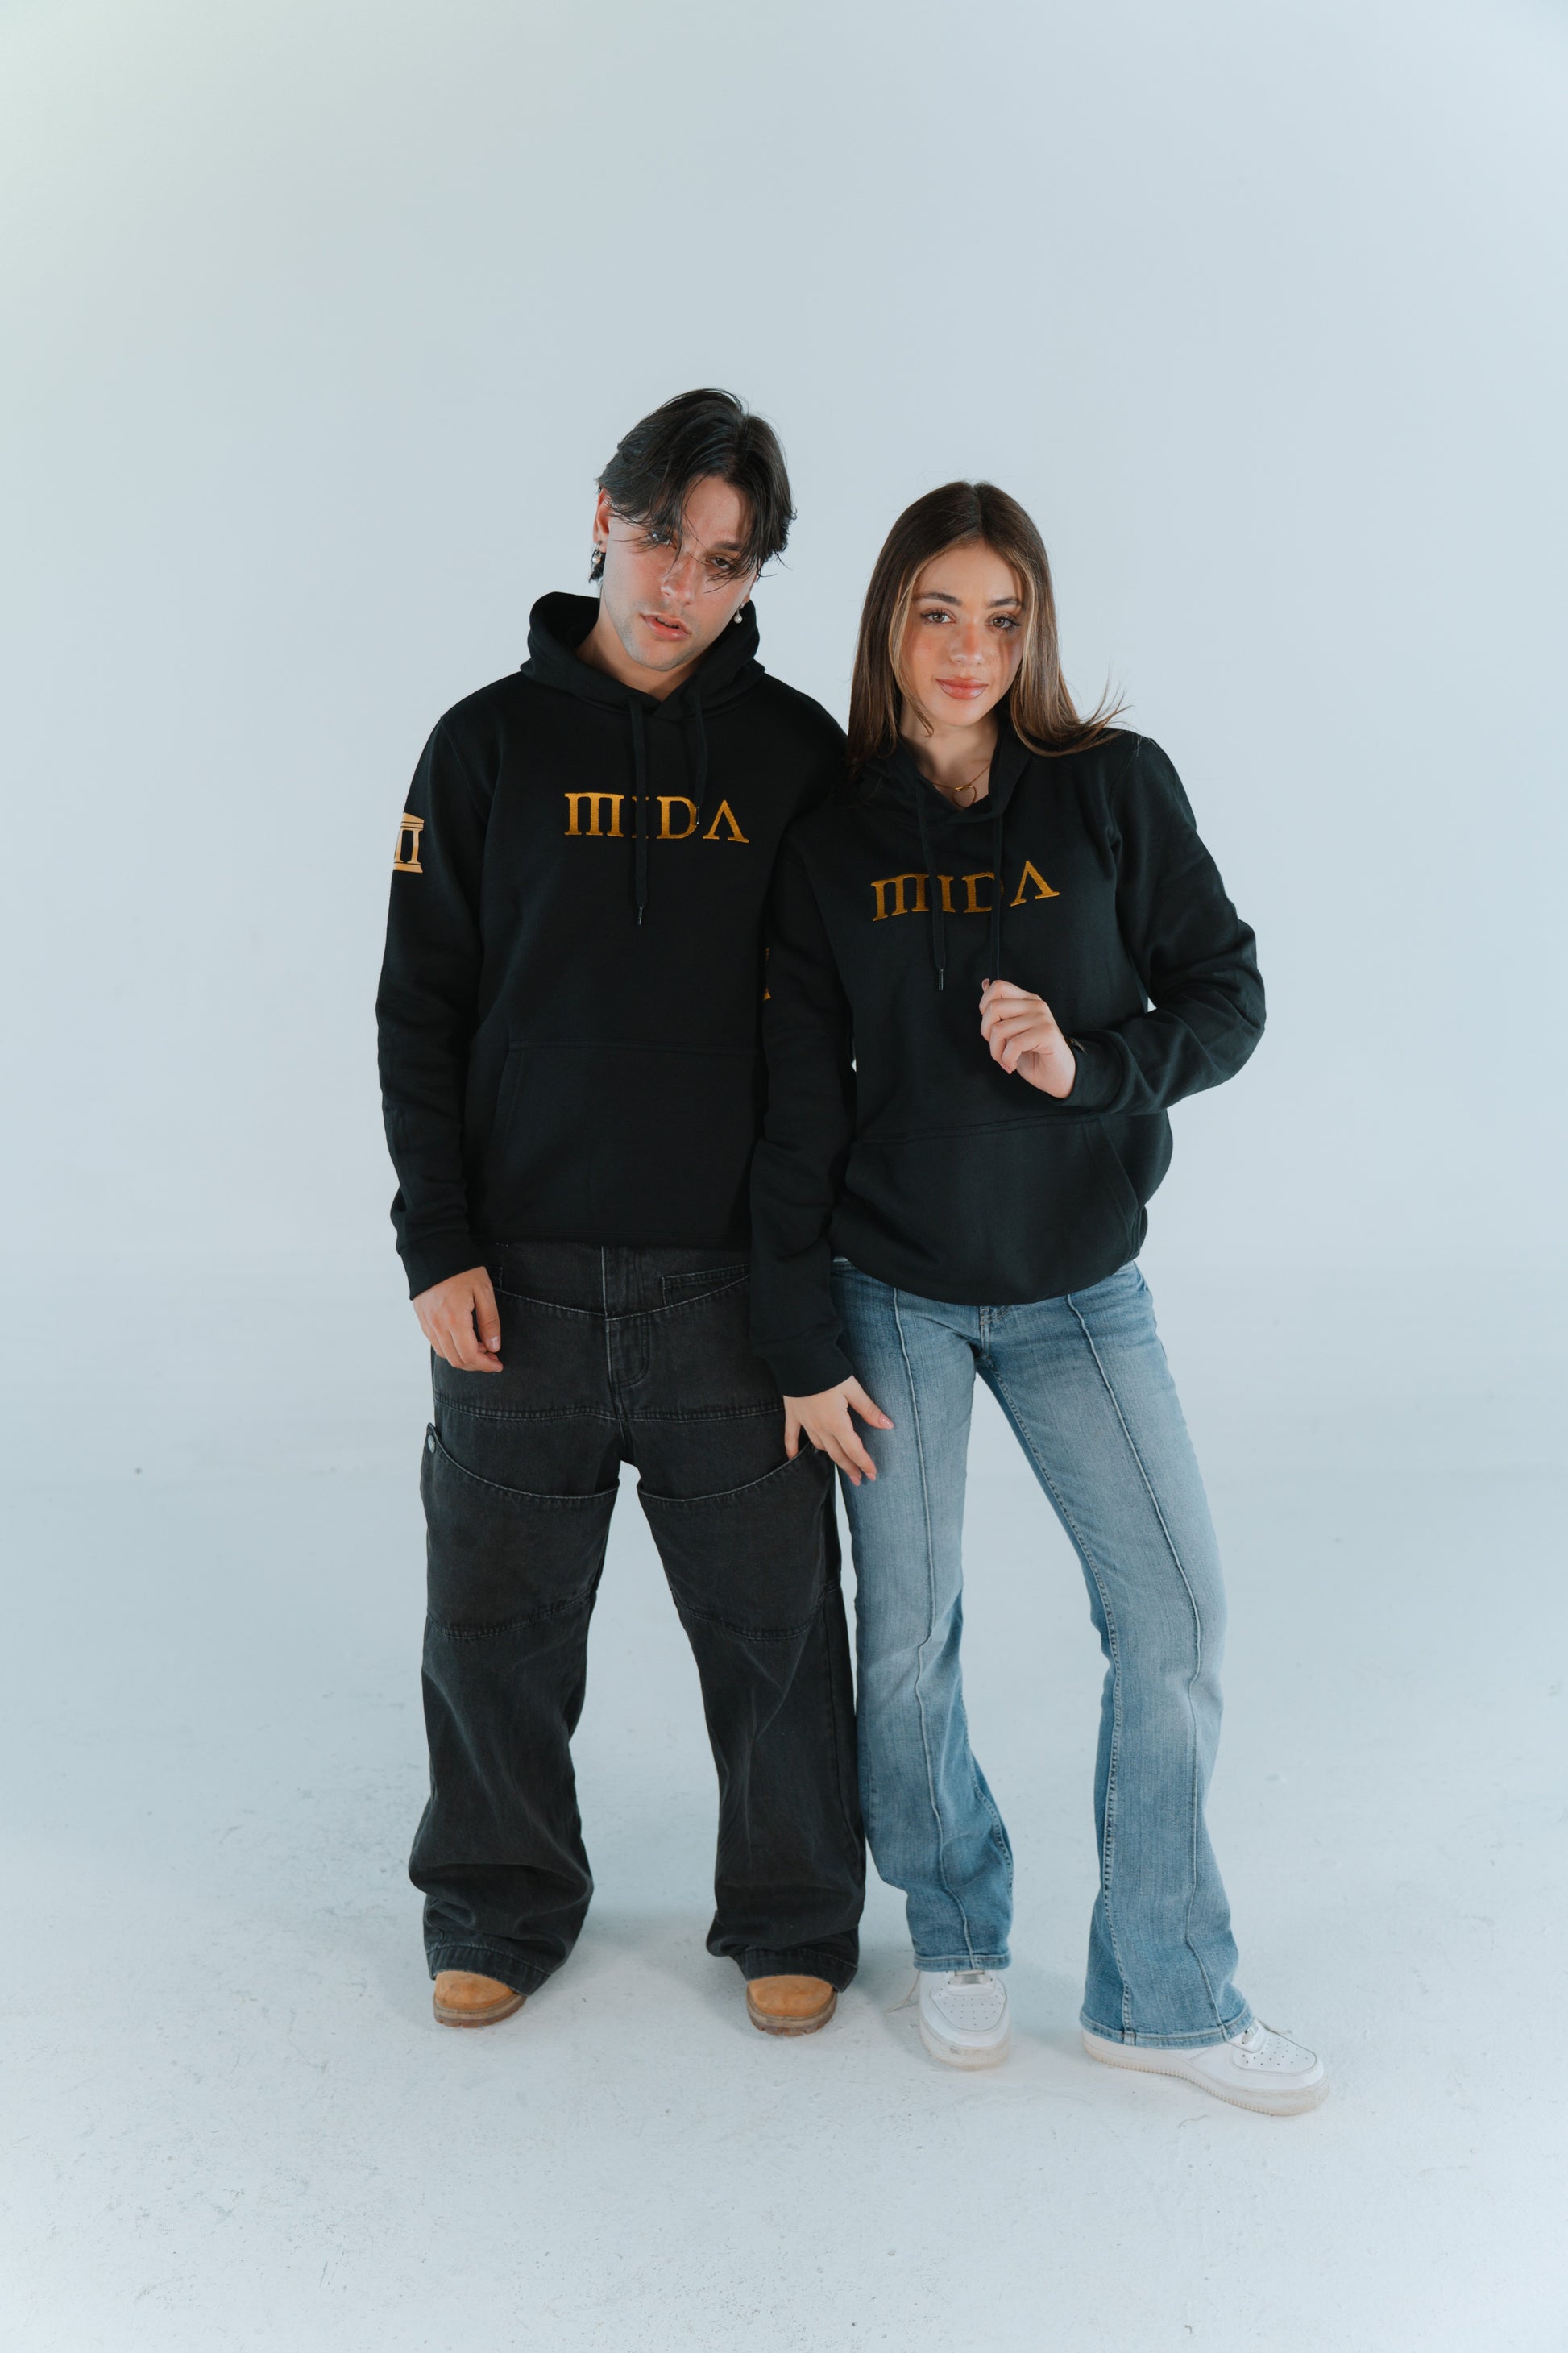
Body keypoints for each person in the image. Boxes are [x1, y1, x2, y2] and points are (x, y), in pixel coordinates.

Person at [749, 482, 1328, 2113]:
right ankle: (954, 1923)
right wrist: (797, 1340)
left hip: (1081, 1288)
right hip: (891, 1293)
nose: (969, 650)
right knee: (907, 1642)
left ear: (1034, 630)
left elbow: (1227, 993)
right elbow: (791, 1113)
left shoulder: (1110, 791)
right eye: (938, 612)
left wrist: (1094, 1067)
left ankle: (1163, 1992)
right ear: (889, 621)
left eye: (1001, 619)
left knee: (1176, 1618)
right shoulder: (830, 839)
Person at [376, 389, 863, 2037]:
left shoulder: (797, 758)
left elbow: (825, 1044)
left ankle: (793, 1908)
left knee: (775, 1625)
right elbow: (419, 1006)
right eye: (660, 539)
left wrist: (803, 1285)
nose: (679, 586)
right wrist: (436, 1240)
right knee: (493, 1624)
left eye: (724, 562)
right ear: (604, 518)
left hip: (729, 1284)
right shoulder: (482, 746)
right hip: (514, 1283)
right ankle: (496, 1901)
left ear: (754, 575)